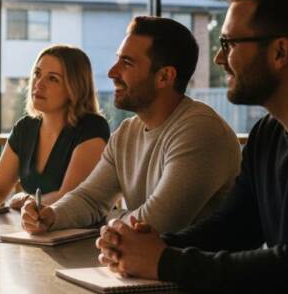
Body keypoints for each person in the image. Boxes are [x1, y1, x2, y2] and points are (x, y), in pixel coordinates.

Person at [96, 0, 288, 294]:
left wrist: (163, 262)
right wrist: (150, 245)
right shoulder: (267, 134)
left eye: (230, 44)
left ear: (280, 52)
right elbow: (234, 228)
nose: (220, 59)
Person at [22, 17, 241, 235]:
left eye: (126, 63)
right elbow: (90, 198)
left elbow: (159, 222)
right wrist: (50, 216)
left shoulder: (200, 131)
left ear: (164, 76)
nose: (112, 72)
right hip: (143, 266)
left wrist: (111, 222)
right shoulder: (127, 132)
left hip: (193, 269)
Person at [0, 45, 109, 213]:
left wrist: (27, 200)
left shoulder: (92, 128)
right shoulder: (25, 128)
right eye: (37, 74)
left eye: (53, 79)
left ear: (75, 88)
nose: (39, 84)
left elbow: (70, 198)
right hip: (34, 232)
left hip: (81, 235)